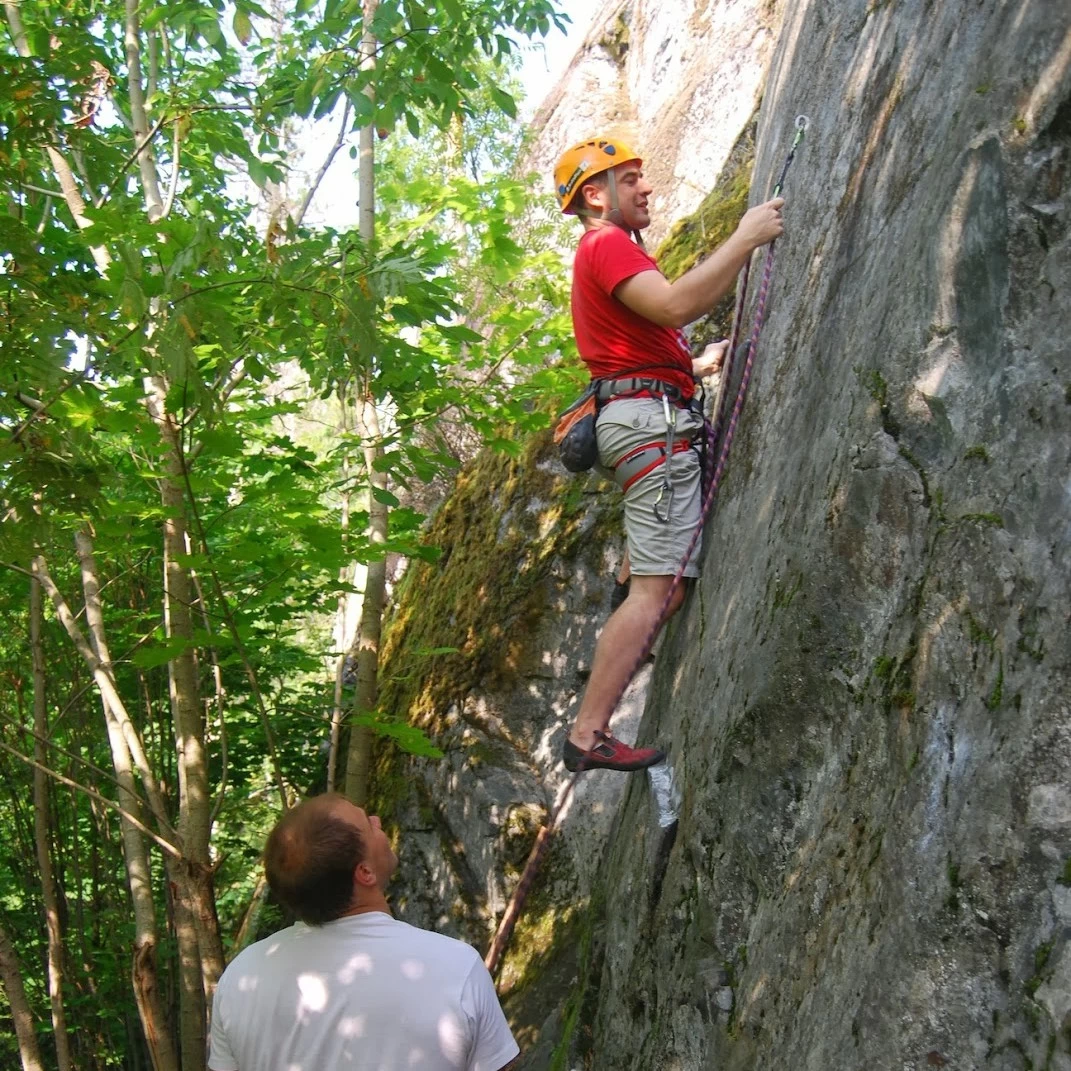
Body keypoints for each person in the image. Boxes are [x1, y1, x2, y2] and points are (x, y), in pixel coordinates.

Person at [553, 134, 785, 773]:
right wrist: (745, 238)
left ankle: (631, 579)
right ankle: (588, 733)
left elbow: (645, 336)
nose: (646, 187)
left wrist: (692, 363)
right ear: (595, 196)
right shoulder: (604, 245)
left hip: (644, 414)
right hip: (650, 427)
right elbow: (678, 302)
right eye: (630, 180)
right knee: (660, 594)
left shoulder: (612, 249)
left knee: (656, 587)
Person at [209, 793, 519, 1071]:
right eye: (368, 825)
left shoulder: (241, 977)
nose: (377, 820)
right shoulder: (456, 967)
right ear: (365, 873)